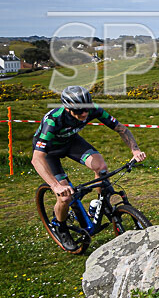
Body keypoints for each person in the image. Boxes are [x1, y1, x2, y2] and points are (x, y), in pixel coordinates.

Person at [31, 86, 147, 251]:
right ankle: (61, 227)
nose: (84, 114)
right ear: (67, 108)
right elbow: (37, 159)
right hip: (49, 152)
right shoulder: (54, 120)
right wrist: (56, 186)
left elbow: (121, 129)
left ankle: (99, 204)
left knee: (101, 167)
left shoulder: (92, 110)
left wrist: (135, 150)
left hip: (71, 143)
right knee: (65, 197)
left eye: (86, 110)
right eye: (79, 112)